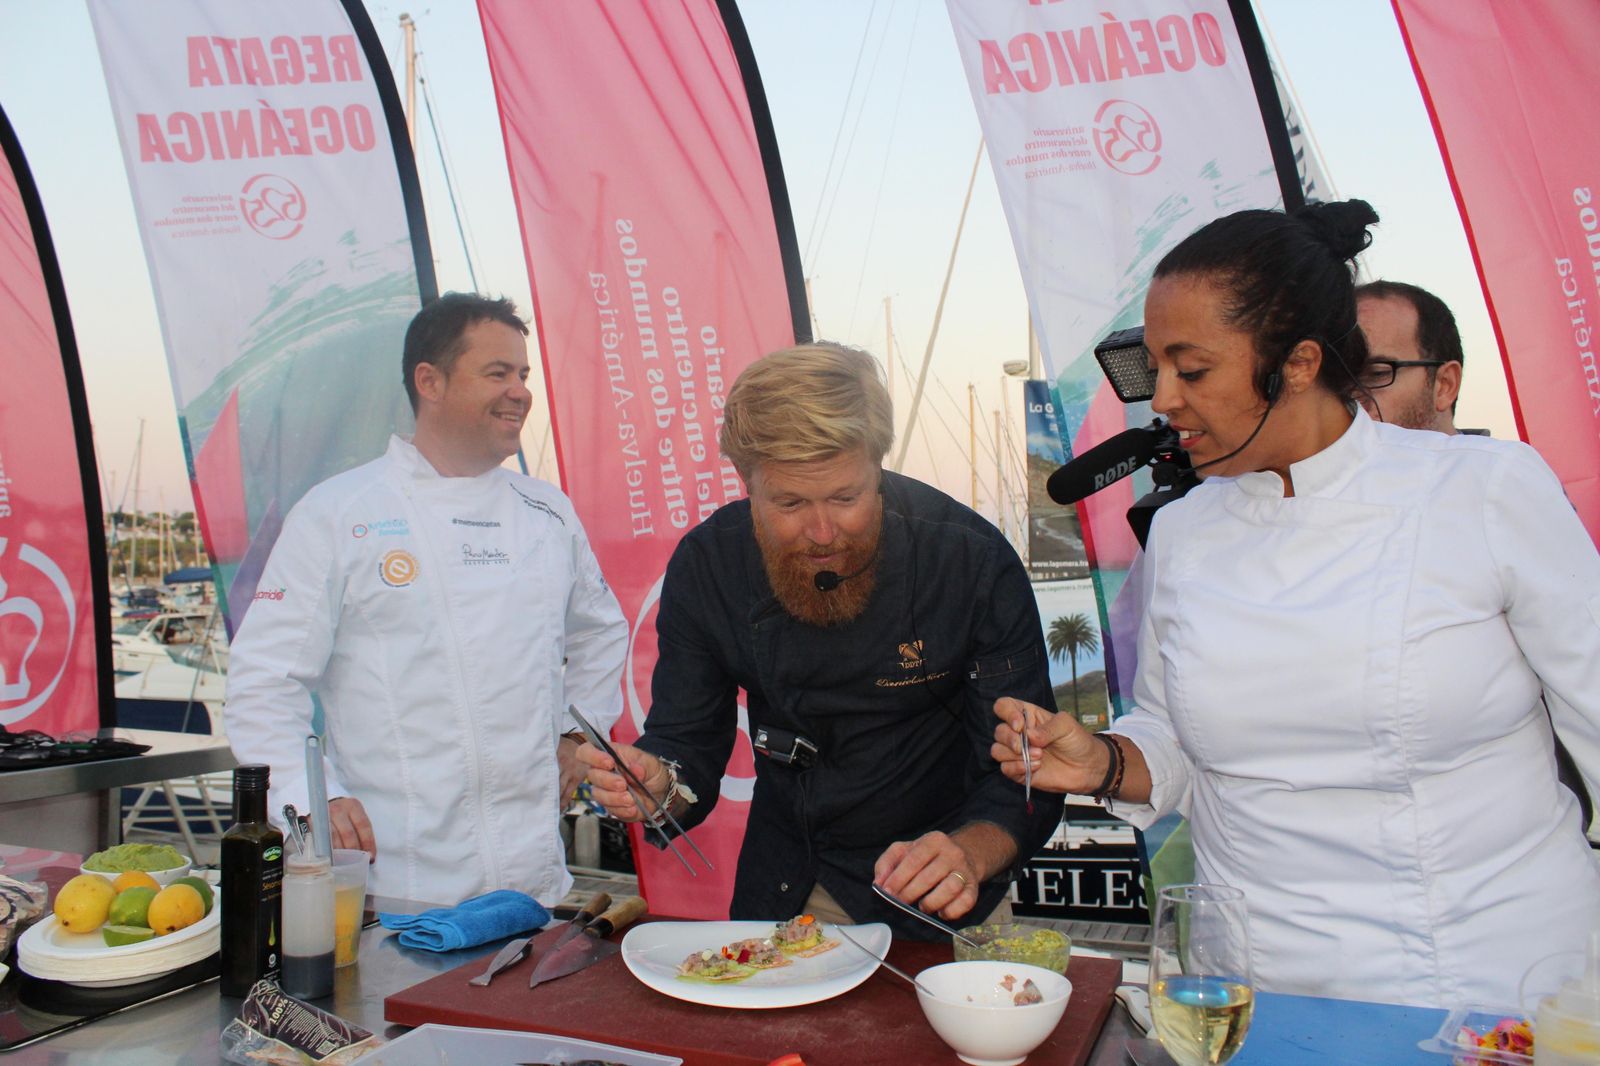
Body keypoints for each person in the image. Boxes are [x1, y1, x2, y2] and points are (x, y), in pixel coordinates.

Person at [993, 201, 1600, 1007]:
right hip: (1250, 991)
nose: (1163, 399)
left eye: (1193, 369)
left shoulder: (1485, 492)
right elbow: (1175, 735)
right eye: (1156, 368)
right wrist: (1103, 760)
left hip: (1489, 987)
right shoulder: (1184, 532)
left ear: (1302, 362)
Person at [578, 343, 1063, 937]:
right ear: (745, 483)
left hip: (945, 889)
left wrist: (974, 851)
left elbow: (1031, 767)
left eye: (846, 497)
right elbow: (685, 743)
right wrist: (661, 785)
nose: (823, 531)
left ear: (878, 467)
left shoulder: (968, 562)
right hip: (786, 883)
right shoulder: (710, 566)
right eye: (789, 503)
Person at [226, 293, 627, 906]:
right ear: (429, 381)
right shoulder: (340, 514)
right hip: (396, 892)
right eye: (498, 373)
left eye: (523, 375)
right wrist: (312, 799)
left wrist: (580, 738)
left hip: (535, 887)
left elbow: (601, 634)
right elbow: (263, 680)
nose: (520, 391)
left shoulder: (548, 513)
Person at [1354, 279, 1463, 433]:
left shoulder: (1502, 457)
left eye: (1377, 374)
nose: (1353, 401)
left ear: (1445, 385)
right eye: (1335, 382)